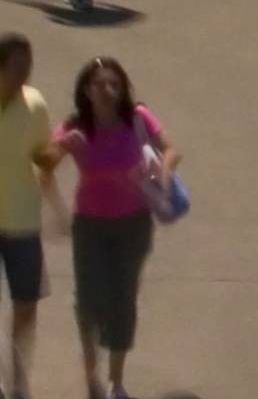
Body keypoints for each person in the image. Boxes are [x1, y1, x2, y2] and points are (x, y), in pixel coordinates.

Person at [53, 56, 169, 399]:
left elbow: (170, 149)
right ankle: (92, 375)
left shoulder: (137, 118)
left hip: (133, 224)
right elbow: (45, 160)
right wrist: (61, 146)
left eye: (114, 84)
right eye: (100, 84)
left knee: (123, 300)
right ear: (86, 90)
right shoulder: (76, 125)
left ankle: (116, 382)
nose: (108, 90)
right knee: (89, 302)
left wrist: (164, 169)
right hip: (89, 225)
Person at [0, 34, 53, 397]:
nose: (24, 73)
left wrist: (61, 150)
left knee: (26, 308)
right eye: (17, 66)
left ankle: (18, 382)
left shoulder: (35, 105)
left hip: (22, 222)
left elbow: (41, 158)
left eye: (28, 66)